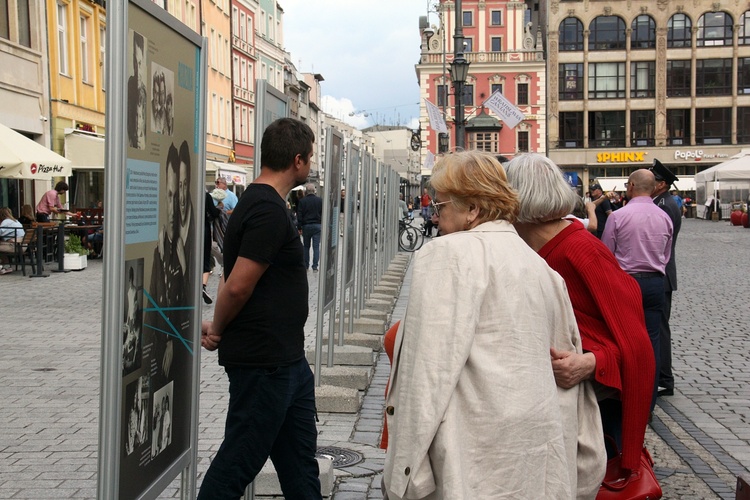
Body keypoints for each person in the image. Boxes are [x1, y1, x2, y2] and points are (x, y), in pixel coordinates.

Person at [383, 151, 605, 500]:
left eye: (440, 206)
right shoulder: (541, 268)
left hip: (470, 451)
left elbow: (426, 373)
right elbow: (567, 376)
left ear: (472, 209)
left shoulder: (446, 255)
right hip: (537, 452)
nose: (435, 217)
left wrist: (404, 473)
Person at [506, 153, 655, 475]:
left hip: (596, 409)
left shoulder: (581, 251)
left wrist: (591, 363)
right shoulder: (526, 249)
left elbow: (637, 345)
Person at [198, 117, 321, 499]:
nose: (312, 164)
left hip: (287, 360)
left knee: (300, 463)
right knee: (238, 462)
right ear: (297, 160)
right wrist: (216, 328)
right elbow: (236, 286)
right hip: (264, 363)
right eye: (311, 157)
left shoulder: (265, 203)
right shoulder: (266, 209)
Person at [602, 169, 673, 410]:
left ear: (631, 186)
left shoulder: (619, 216)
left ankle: (625, 399)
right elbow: (666, 254)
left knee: (624, 339)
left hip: (626, 281)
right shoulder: (664, 217)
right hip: (655, 282)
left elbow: (606, 254)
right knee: (652, 342)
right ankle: (647, 403)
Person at [651, 160, 682, 397]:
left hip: (661, 273)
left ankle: (664, 378)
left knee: (660, 328)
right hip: (663, 272)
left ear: (661, 184)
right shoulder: (661, 202)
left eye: (654, 179)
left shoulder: (664, 205)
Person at [296, 183, 322, 272]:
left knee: (306, 247)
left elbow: (299, 215)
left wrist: (299, 227)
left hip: (306, 226)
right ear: (314, 191)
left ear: (306, 191)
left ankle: (306, 266)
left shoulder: (302, 201)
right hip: (317, 226)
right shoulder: (319, 200)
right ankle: (315, 267)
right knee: (316, 247)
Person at [127, 31, 146, 149]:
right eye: (135, 62)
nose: (137, 70)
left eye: (140, 63)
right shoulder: (129, 87)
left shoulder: (145, 93)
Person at [202, 190, 221, 304]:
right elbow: (214, 213)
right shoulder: (206, 196)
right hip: (204, 229)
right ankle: (203, 286)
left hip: (190, 230)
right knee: (205, 259)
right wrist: (219, 207)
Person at [0, 207, 24, 274]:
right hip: (23, 245)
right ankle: (6, 266)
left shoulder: (6, 222)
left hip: (15, 246)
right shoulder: (16, 221)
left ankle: (4, 266)